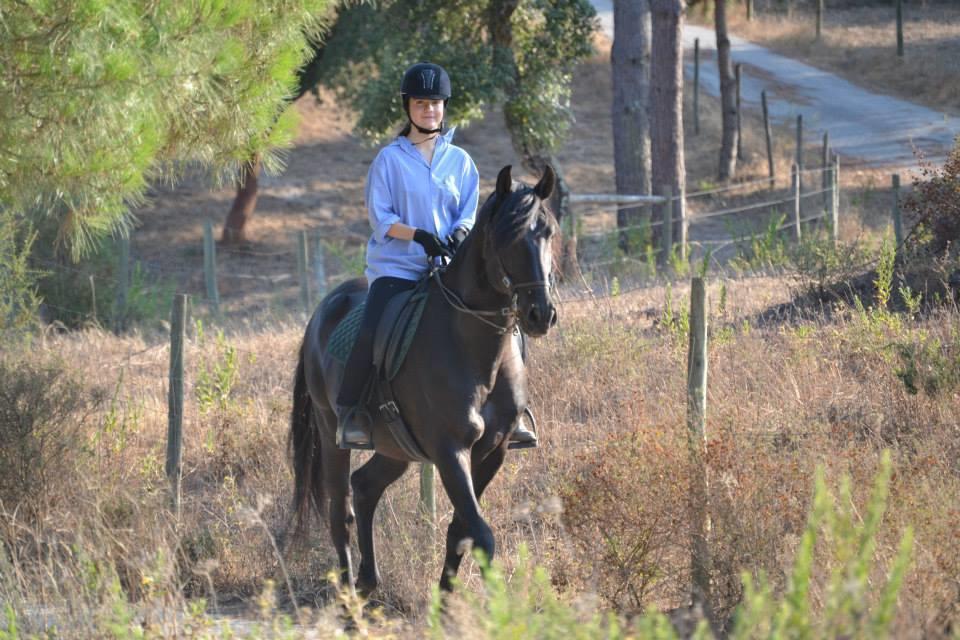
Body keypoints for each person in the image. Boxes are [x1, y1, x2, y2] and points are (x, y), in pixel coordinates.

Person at [335, 61, 537, 450]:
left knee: (507, 322)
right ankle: (352, 412)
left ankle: (516, 411)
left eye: (436, 103)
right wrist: (419, 237)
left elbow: (467, 211)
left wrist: (461, 231)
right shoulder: (389, 161)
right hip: (398, 267)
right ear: (407, 106)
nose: (429, 110)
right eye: (421, 103)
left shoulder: (460, 162)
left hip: (449, 267)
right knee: (374, 326)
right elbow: (382, 216)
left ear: (445, 106)